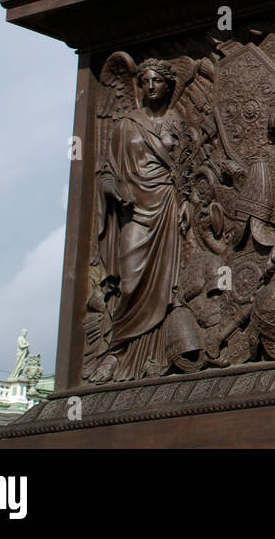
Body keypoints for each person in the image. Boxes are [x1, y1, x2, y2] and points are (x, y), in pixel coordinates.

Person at [96, 59, 186, 380]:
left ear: (167, 86)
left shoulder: (177, 122)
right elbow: (108, 170)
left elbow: (187, 166)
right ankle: (118, 348)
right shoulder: (125, 125)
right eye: (144, 81)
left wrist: (187, 200)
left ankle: (155, 354)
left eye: (157, 81)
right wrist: (112, 189)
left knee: (165, 283)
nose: (150, 86)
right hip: (134, 210)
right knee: (130, 282)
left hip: (166, 205)